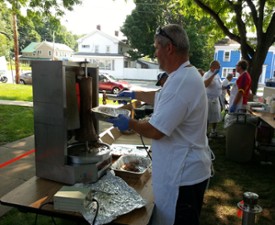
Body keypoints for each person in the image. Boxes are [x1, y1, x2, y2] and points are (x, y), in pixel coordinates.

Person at [108, 24, 212, 225]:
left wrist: (129, 122)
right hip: (189, 170)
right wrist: (135, 93)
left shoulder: (181, 82)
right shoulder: (184, 75)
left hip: (183, 177)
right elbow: (162, 96)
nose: (155, 53)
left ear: (169, 48)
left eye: (156, 48)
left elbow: (156, 131)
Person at [203, 60, 223, 138]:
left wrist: (223, 87)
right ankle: (205, 134)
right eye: (218, 66)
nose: (220, 67)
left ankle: (213, 132)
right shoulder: (207, 74)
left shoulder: (217, 75)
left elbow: (218, 85)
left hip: (216, 98)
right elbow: (205, 84)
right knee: (208, 117)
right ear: (213, 67)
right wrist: (213, 74)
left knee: (216, 116)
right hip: (209, 100)